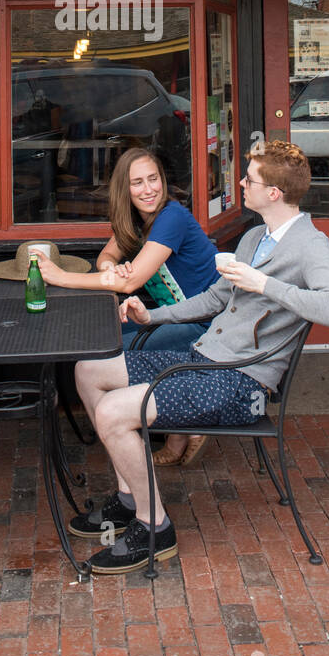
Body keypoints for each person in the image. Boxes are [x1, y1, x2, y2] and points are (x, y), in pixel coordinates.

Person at [69, 140, 329, 575]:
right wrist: (152, 315)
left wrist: (264, 284)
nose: (240, 183)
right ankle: (130, 498)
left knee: (112, 411)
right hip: (204, 359)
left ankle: (154, 526)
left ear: (273, 192)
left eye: (249, 179)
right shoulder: (255, 236)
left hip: (242, 381)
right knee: (88, 370)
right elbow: (215, 297)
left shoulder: (310, 245)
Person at [34, 147, 219, 467]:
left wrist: (62, 277)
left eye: (153, 179)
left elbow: (130, 285)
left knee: (113, 354)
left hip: (205, 326)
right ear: (125, 189)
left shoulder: (171, 216)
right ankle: (156, 432)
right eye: (137, 183)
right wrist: (111, 269)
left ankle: (178, 422)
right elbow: (107, 257)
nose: (148, 189)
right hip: (168, 320)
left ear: (163, 181)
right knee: (101, 337)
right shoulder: (136, 221)